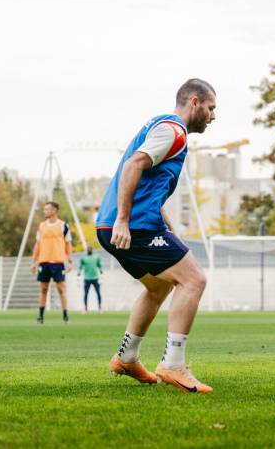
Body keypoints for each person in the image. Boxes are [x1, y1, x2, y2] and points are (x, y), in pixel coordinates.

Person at [97, 78, 216, 394]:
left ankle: (126, 357)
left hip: (116, 225)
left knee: (158, 286)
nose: (213, 116)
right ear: (194, 102)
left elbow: (148, 186)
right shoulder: (173, 131)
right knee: (194, 280)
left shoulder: (161, 127)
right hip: (131, 227)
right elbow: (134, 165)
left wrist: (169, 231)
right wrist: (124, 220)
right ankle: (173, 364)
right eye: (211, 107)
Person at [30, 201, 73, 324]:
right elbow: (37, 245)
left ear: (54, 210)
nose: (45, 211)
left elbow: (68, 244)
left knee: (61, 289)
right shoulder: (41, 226)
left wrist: (69, 261)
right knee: (43, 289)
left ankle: (65, 316)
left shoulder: (63, 225)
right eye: (45, 209)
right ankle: (40, 317)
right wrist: (34, 262)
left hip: (58, 262)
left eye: (47, 209)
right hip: (44, 262)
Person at [78, 246, 103, 314]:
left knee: (98, 293)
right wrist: (79, 272)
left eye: (90, 249)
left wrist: (101, 270)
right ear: (87, 250)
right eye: (88, 249)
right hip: (87, 278)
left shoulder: (96, 257)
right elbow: (80, 266)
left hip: (95, 278)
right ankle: (85, 309)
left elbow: (99, 265)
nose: (89, 250)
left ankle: (100, 308)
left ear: (92, 250)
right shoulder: (83, 258)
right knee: (86, 294)